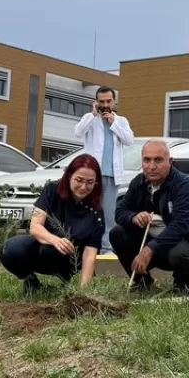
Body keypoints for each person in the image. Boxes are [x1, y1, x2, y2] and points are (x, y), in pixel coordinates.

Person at [111, 140, 189, 293]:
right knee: (117, 233)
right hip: (154, 242)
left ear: (170, 162)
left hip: (185, 244)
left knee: (178, 254)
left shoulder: (184, 186)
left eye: (158, 160)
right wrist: (134, 217)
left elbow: (181, 226)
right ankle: (141, 283)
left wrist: (149, 249)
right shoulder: (138, 182)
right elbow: (120, 212)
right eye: (147, 160)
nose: (152, 166)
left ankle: (183, 284)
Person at [1, 154, 104, 293]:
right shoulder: (51, 189)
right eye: (79, 180)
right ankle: (30, 280)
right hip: (46, 245)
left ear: (96, 182)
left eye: (90, 182)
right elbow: (35, 227)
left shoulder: (96, 210)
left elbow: (90, 253)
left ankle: (65, 280)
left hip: (72, 258)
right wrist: (55, 240)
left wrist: (83, 290)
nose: (83, 187)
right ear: (69, 176)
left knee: (54, 247)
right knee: (10, 249)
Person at [73, 86, 134, 254]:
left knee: (108, 215)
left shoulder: (121, 121)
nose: (105, 105)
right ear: (96, 102)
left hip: (112, 175)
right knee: (89, 212)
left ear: (114, 101)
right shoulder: (90, 118)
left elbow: (129, 140)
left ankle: (106, 249)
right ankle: (84, 247)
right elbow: (78, 132)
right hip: (92, 175)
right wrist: (93, 115)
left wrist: (113, 124)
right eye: (101, 101)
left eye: (108, 101)